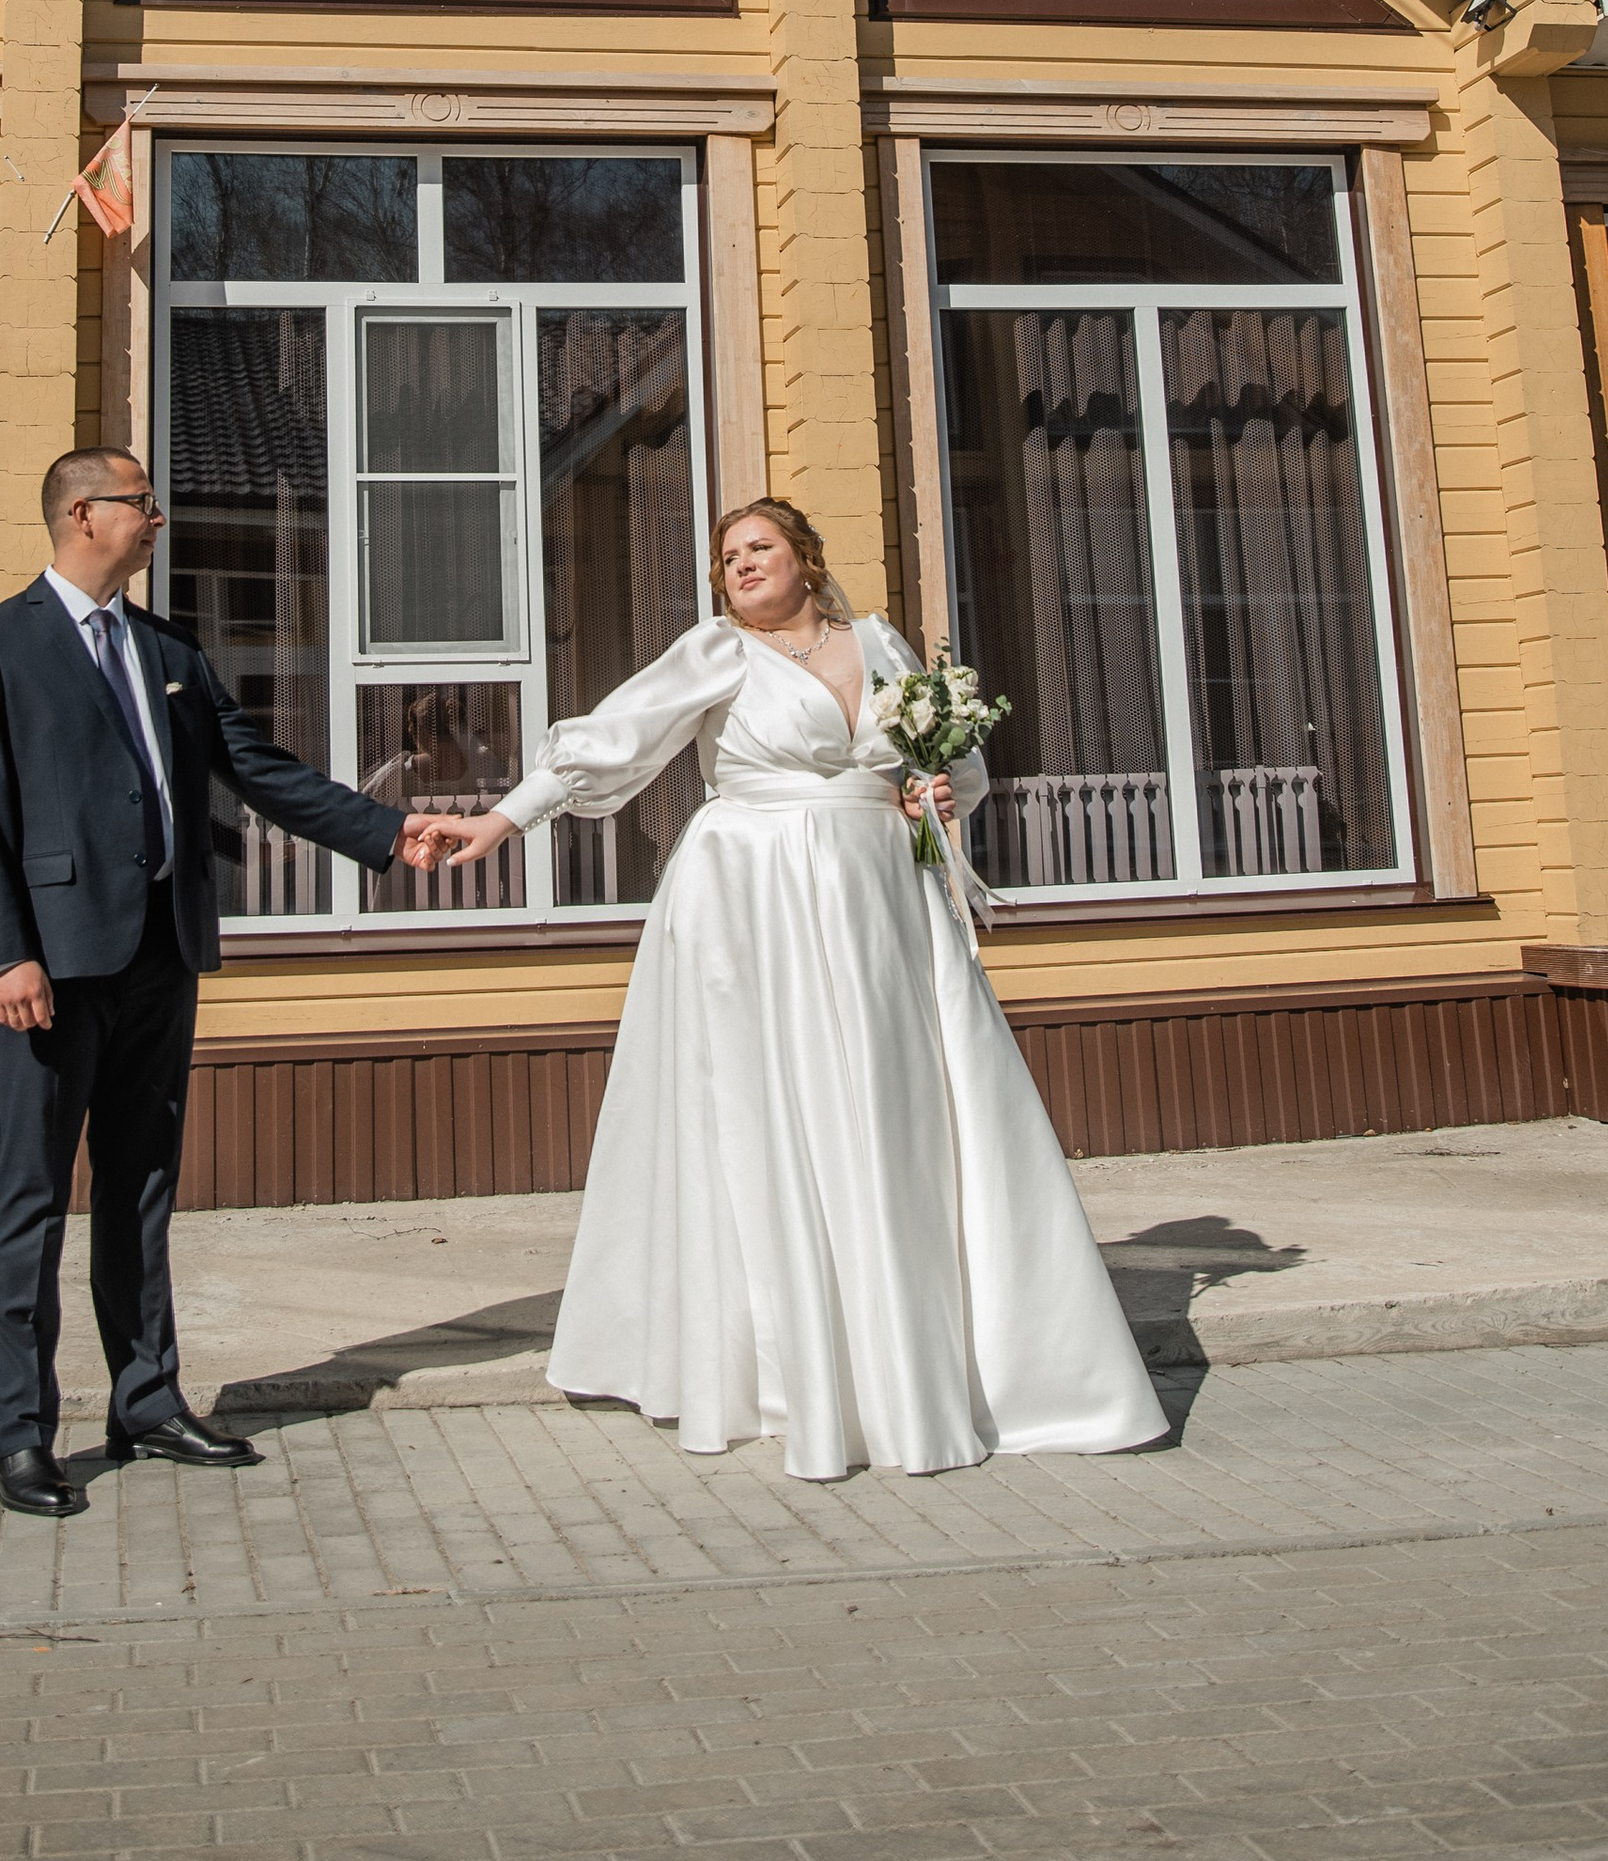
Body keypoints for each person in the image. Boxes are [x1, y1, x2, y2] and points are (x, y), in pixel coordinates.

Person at [429, 497, 1168, 1482]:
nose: (736, 565)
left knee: (897, 1110)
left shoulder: (882, 644)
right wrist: (498, 822)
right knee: (768, 1112)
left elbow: (953, 769)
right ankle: (784, 1366)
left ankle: (935, 1359)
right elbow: (612, 741)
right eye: (725, 555)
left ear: (805, 560)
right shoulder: (716, 652)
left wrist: (937, 793)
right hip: (751, 897)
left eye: (756, 547)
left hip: (878, 901)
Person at [0, 445, 456, 1516]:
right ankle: (19, 1435)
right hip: (52, 965)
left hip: (162, 958)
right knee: (28, 1199)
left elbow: (253, 766)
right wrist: (4, 951)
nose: (157, 517)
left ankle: (148, 1398)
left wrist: (383, 829)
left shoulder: (167, 647)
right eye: (140, 501)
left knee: (140, 1190)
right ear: (82, 512)